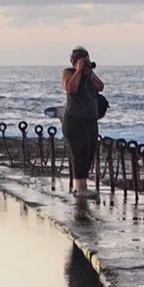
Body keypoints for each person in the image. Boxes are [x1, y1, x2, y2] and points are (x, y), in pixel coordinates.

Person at [60, 48, 104, 192]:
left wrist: (90, 74)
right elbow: (71, 89)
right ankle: (81, 191)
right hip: (75, 121)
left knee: (89, 153)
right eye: (82, 60)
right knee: (79, 155)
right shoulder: (69, 73)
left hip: (90, 120)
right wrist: (78, 71)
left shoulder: (89, 76)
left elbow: (100, 86)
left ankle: (82, 188)